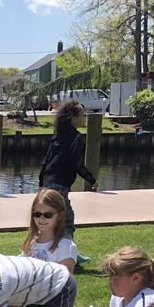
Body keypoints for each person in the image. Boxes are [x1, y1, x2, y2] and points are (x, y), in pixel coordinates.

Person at [0, 189, 78, 307]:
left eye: (47, 215)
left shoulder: (65, 246)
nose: (41, 219)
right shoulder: (32, 242)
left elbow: (64, 286)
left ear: (60, 215)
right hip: (27, 301)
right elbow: (20, 273)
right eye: (37, 214)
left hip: (48, 302)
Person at [38, 99, 97, 238]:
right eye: (83, 115)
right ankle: (70, 251)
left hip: (48, 183)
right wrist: (92, 180)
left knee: (51, 219)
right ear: (73, 118)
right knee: (67, 220)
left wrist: (41, 184)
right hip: (59, 186)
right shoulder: (76, 137)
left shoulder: (58, 134)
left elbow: (45, 162)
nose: (85, 117)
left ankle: (58, 247)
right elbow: (77, 164)